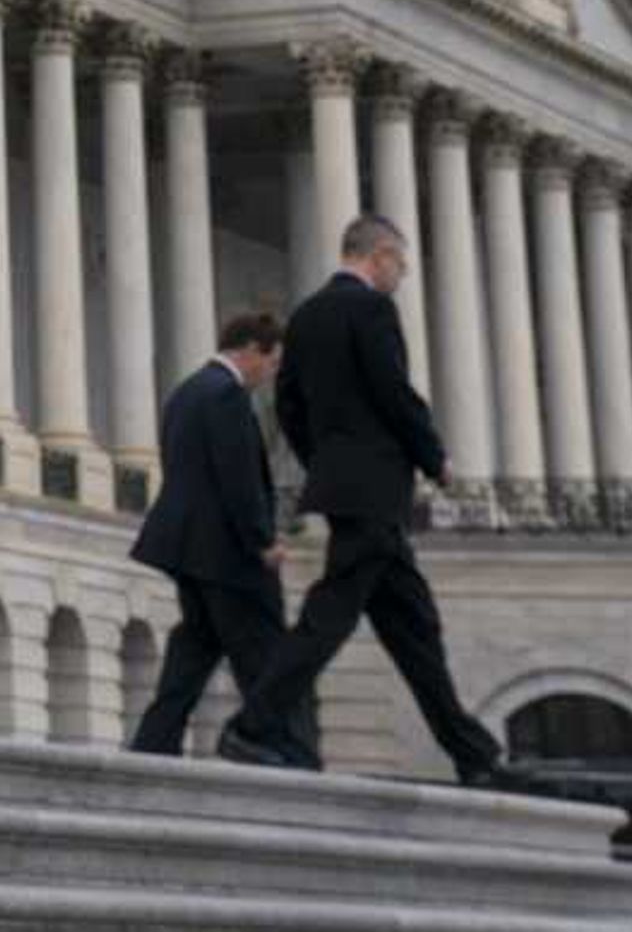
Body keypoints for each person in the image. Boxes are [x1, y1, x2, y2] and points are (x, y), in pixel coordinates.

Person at [221, 215, 518, 786]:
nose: (401, 277)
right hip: (376, 487)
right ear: (378, 255)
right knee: (328, 615)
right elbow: (393, 390)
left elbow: (288, 408)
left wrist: (326, 462)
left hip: (346, 486)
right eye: (400, 265)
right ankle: (254, 725)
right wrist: (435, 459)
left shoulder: (305, 316)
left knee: (414, 627)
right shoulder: (372, 310)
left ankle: (472, 754)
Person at [123, 309, 290, 755]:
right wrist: (262, 540)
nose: (271, 376)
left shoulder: (187, 391)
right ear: (254, 350)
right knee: (263, 649)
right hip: (223, 551)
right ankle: (272, 743)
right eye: (273, 363)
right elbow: (237, 478)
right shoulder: (226, 396)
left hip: (188, 548)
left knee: (197, 645)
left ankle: (154, 741)